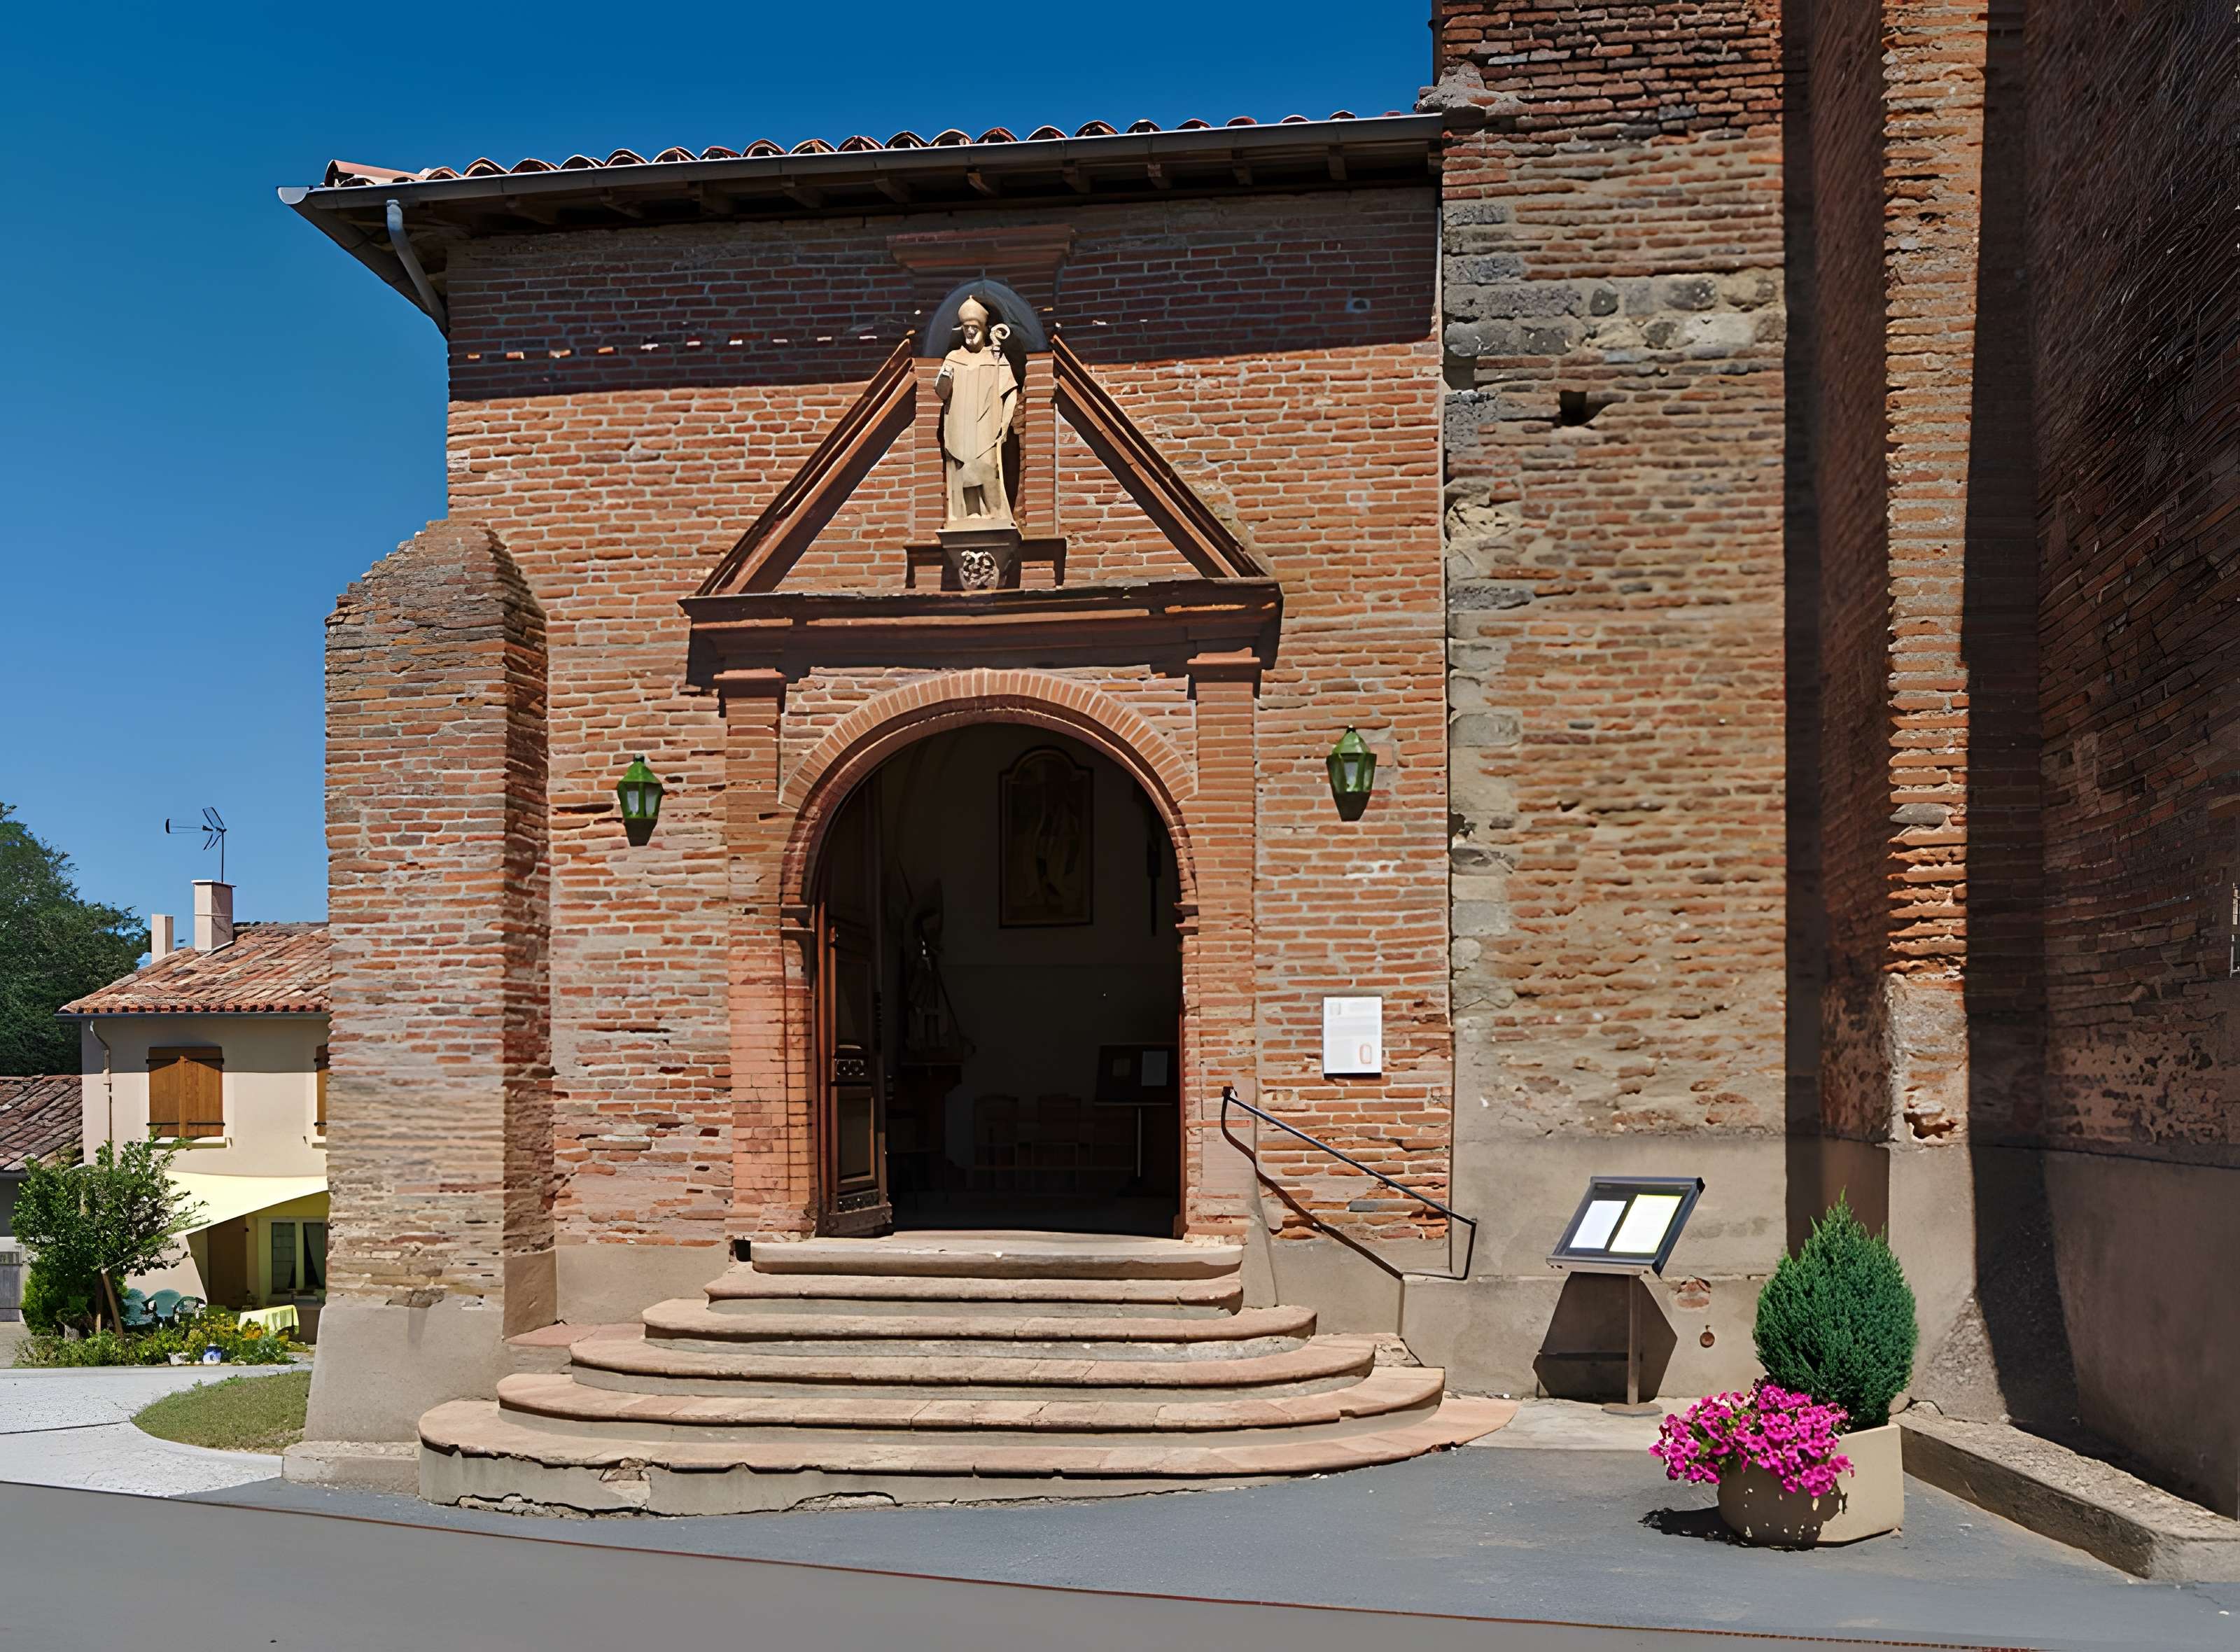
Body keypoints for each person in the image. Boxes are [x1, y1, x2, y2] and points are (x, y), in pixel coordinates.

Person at [935, 295, 1018, 528]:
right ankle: (970, 514)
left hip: (986, 422)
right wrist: (945, 379)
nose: (970, 333)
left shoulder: (995, 358)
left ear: (984, 328)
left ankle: (994, 512)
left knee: (987, 467)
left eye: (975, 328)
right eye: (966, 328)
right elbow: (942, 392)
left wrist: (1005, 421)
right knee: (963, 469)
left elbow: (1010, 390)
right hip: (961, 423)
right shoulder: (954, 358)